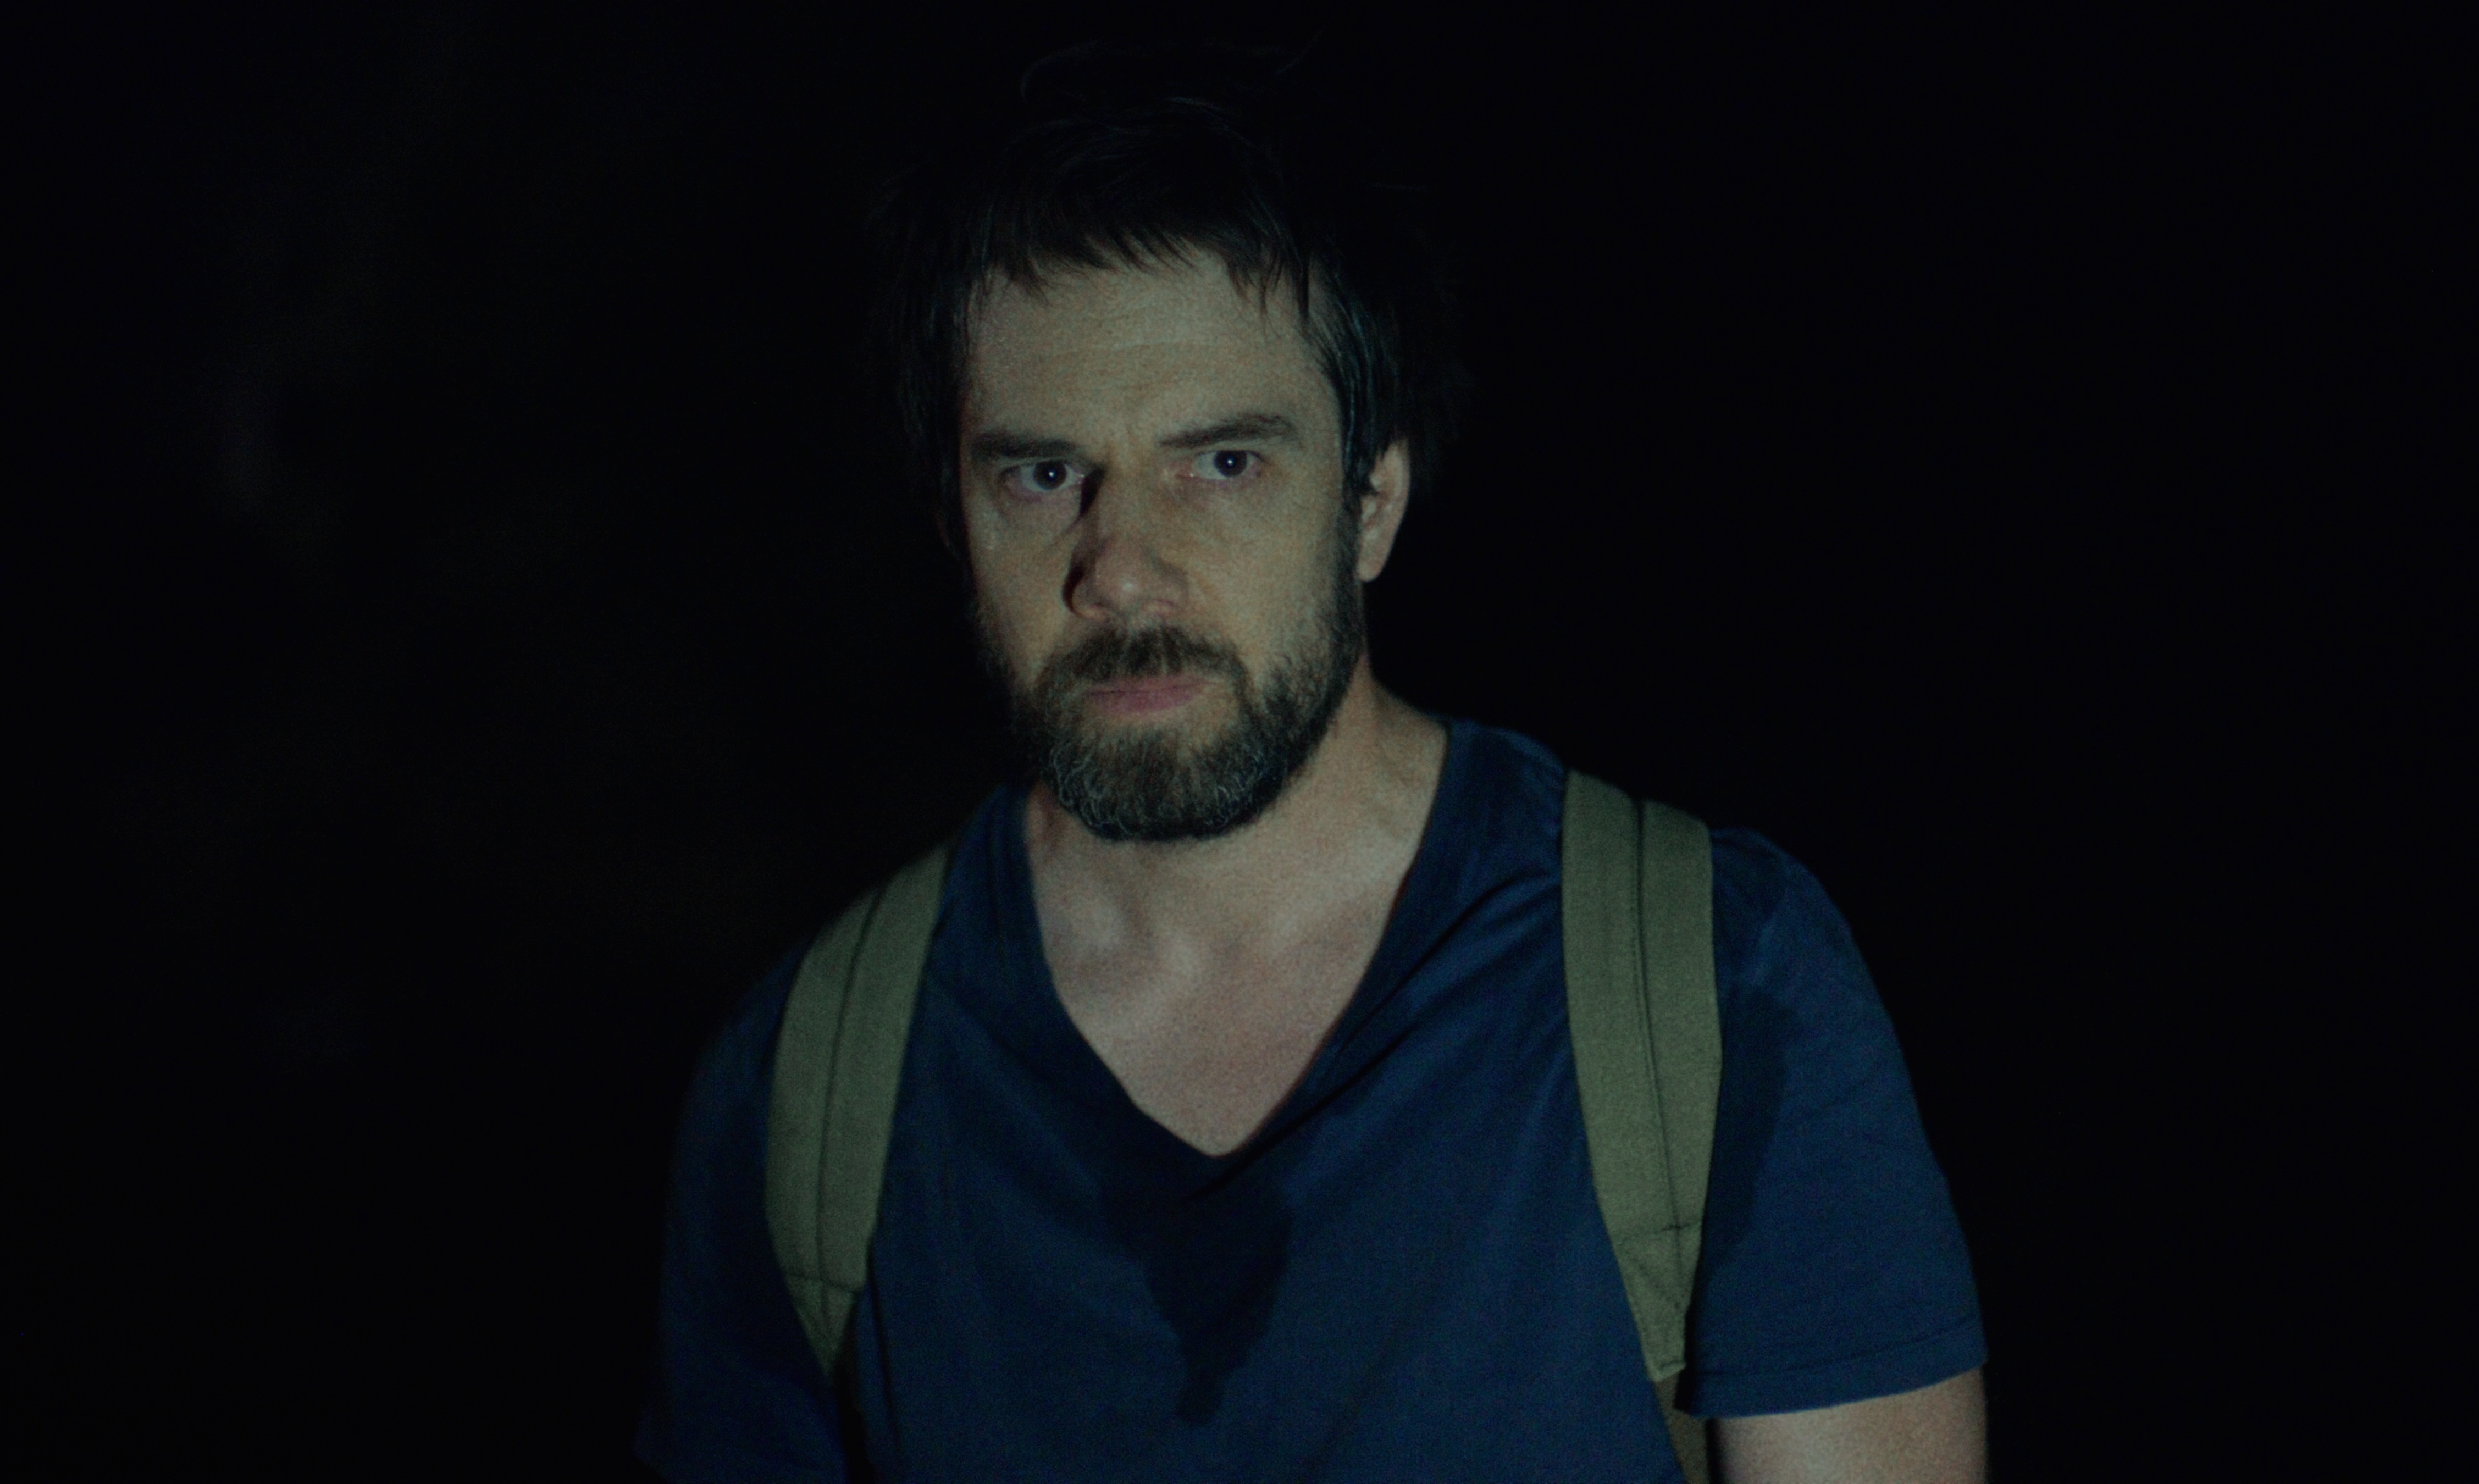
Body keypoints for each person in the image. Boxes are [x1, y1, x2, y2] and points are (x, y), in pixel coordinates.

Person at [637, 42, 1985, 1483]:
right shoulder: (807, 1089)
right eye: (1044, 474)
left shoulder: (1717, 986)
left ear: (1371, 502)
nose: (1121, 567)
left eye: (1225, 464)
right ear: (957, 529)